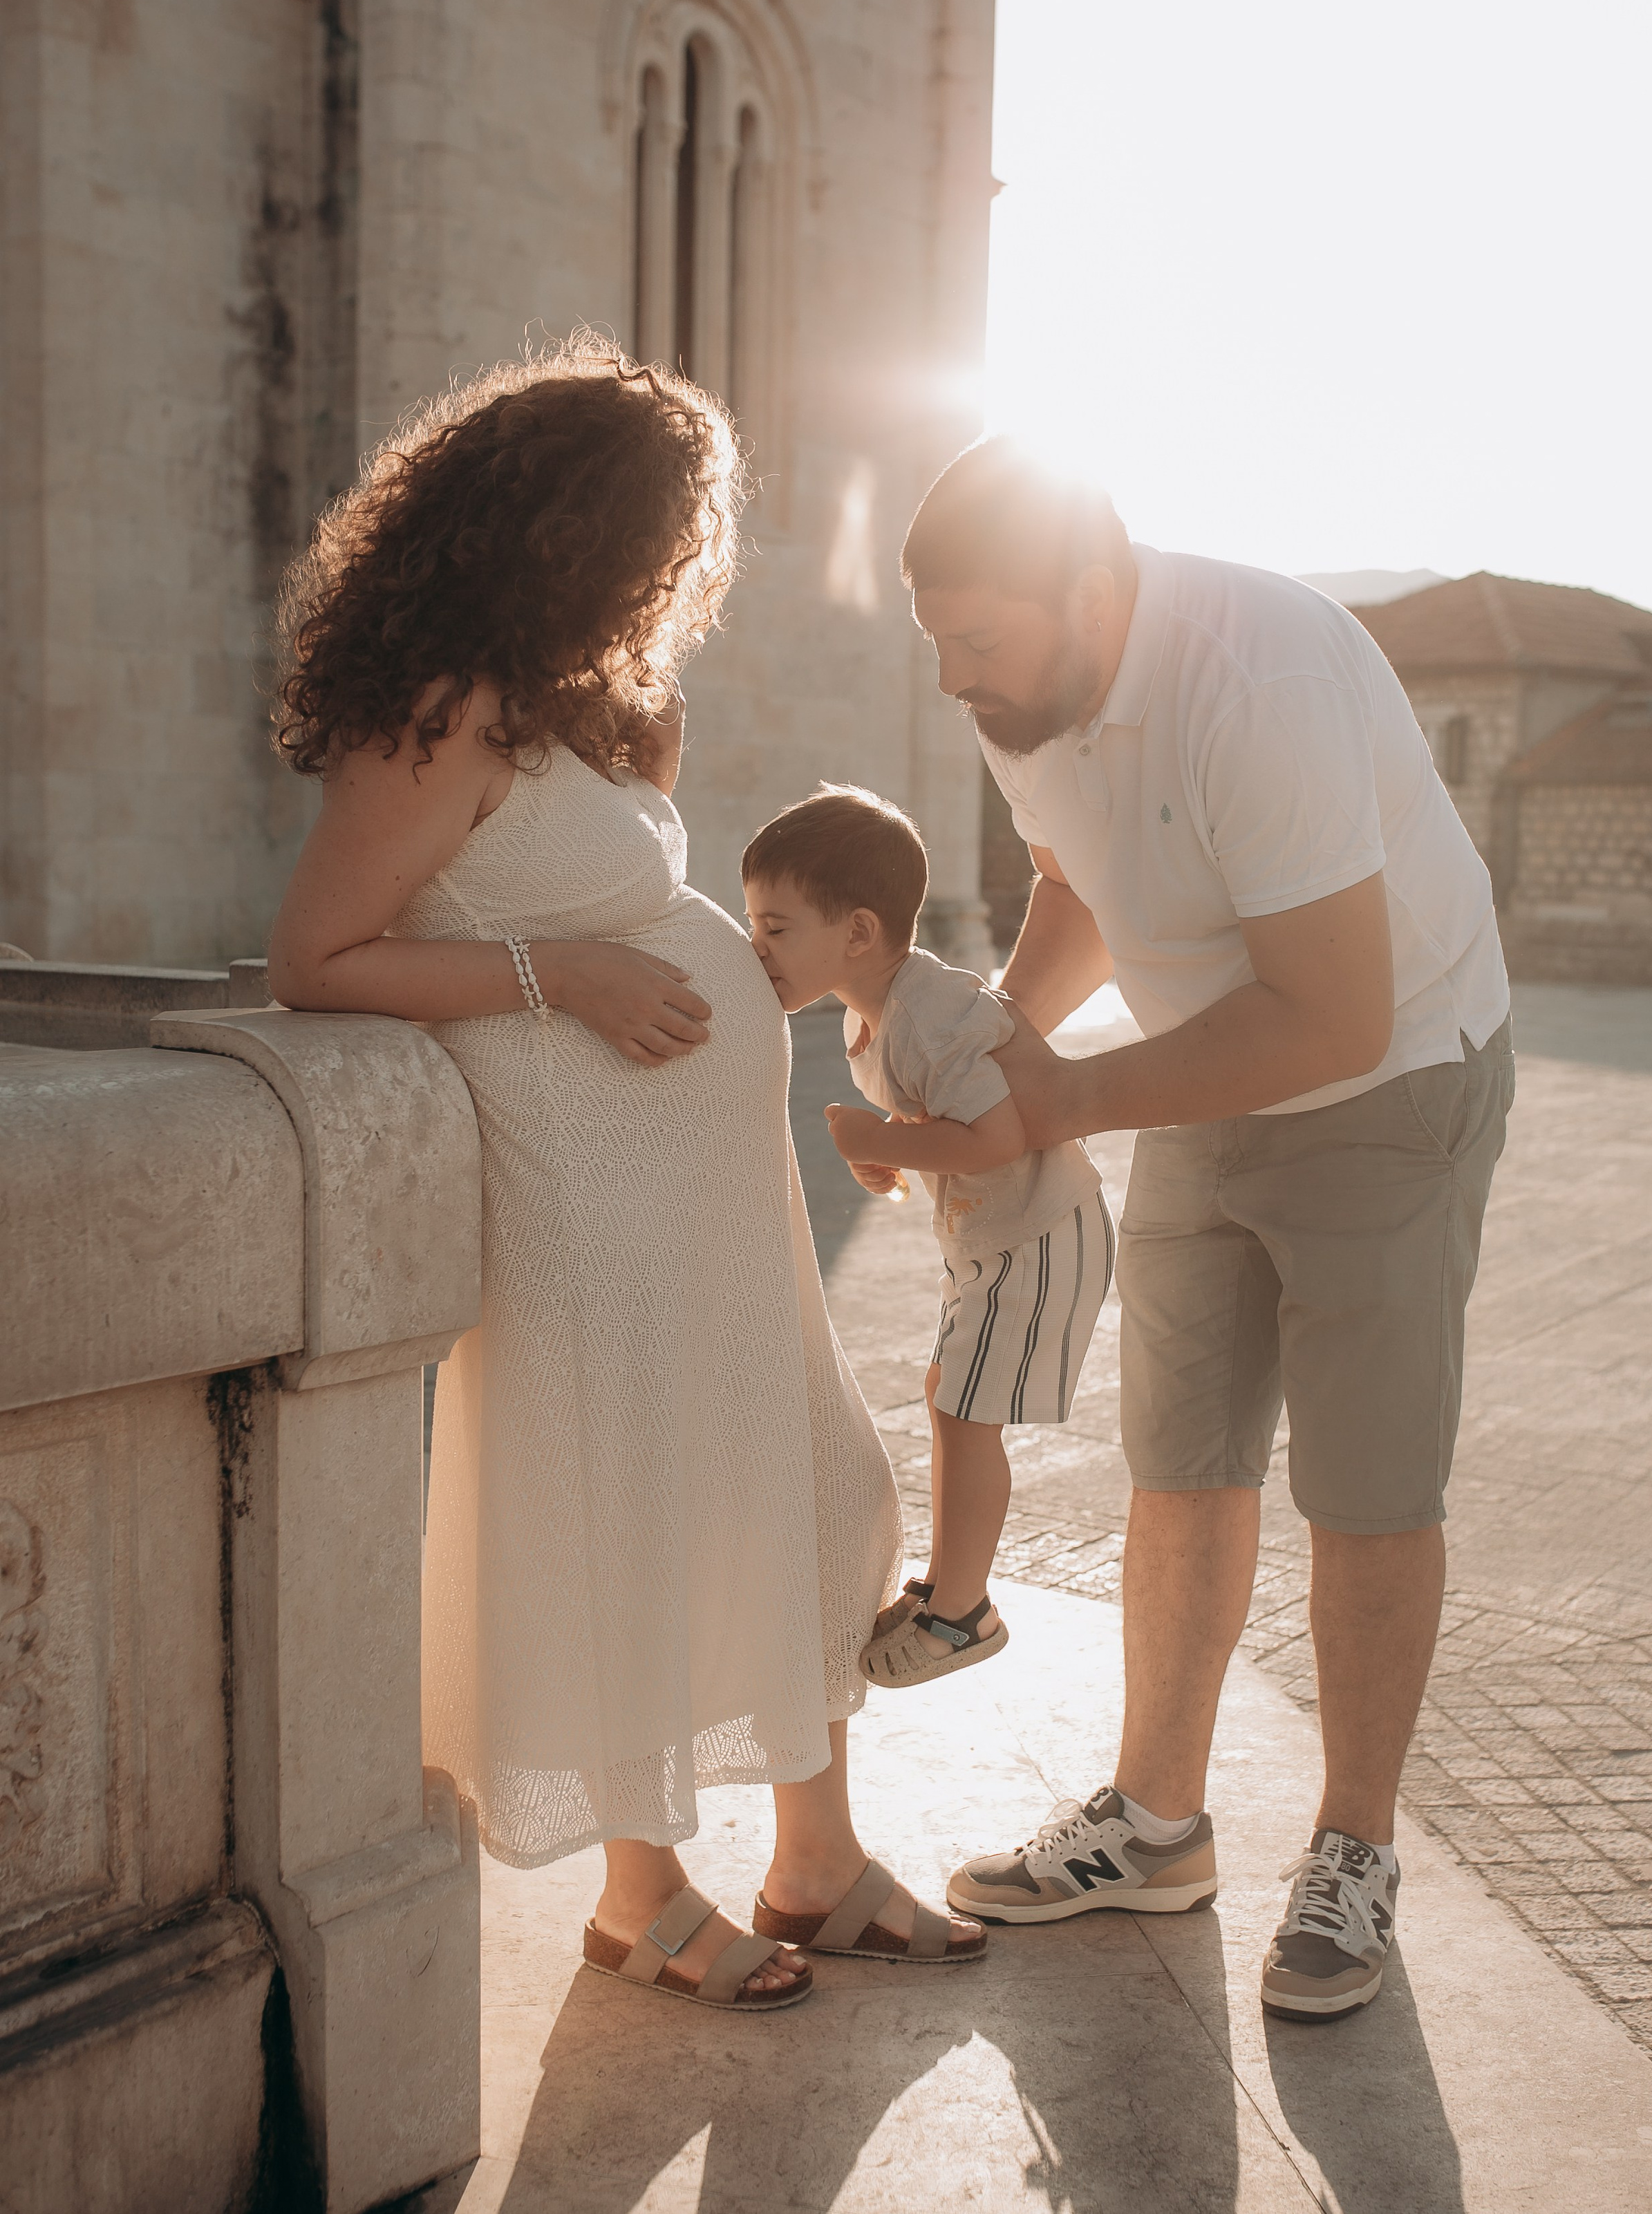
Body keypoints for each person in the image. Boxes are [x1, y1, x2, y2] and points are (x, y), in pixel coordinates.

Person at [266, 335, 985, 2014]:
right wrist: (563, 977)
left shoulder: (589, 707)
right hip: (584, 1205)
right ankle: (641, 1897)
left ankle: (814, 1863)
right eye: (664, 541)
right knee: (636, 1526)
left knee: (815, 1494)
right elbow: (316, 958)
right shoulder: (435, 716)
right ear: (574, 532)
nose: (677, 577)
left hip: (714, 1212)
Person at [907, 439, 1512, 2019]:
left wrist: (1059, 1104)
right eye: (940, 643)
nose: (955, 679)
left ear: (1092, 590)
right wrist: (994, 1053)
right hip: (1205, 1068)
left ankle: (1354, 1850)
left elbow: (1329, 1016)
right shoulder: (1019, 696)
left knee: (1364, 1487)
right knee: (1180, 1461)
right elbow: (1075, 882)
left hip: (1387, 1078)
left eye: (979, 641)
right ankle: (1156, 1826)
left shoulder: (1259, 679)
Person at [740, 785, 1113, 1689]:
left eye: (776, 927)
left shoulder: (929, 1012)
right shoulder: (868, 1012)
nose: (756, 947)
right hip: (993, 1238)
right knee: (951, 1397)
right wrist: (891, 1154)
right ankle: (948, 1586)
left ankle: (963, 1615)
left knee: (965, 1413)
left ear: (858, 933)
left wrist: (877, 1140)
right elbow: (946, 1123)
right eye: (754, 924)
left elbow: (999, 1135)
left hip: (1039, 1231)